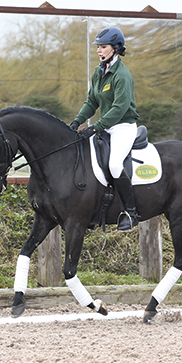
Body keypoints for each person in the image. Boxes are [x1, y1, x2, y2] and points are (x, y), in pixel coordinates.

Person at [69, 26, 141, 232]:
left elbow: (119, 108)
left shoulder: (122, 75)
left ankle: (131, 212)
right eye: (98, 47)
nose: (99, 51)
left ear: (116, 48)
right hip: (106, 128)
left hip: (123, 127)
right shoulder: (99, 72)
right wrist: (77, 121)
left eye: (103, 47)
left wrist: (95, 127)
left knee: (115, 165)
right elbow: (91, 102)